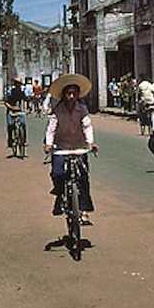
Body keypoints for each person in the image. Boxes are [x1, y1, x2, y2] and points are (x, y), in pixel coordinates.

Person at [43, 74, 98, 220]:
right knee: (57, 174)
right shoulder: (57, 110)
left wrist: (90, 142)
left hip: (79, 147)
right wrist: (48, 144)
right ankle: (60, 196)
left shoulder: (82, 109)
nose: (72, 96)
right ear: (64, 95)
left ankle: (84, 209)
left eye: (74, 93)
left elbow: (87, 126)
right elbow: (51, 129)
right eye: (69, 93)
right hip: (61, 148)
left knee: (83, 177)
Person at [4, 78, 27, 148]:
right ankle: (10, 140)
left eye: (19, 84)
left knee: (23, 124)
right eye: (17, 83)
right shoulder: (10, 92)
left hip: (20, 112)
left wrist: (25, 109)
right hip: (11, 111)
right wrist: (11, 107)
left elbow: (25, 100)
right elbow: (5, 102)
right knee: (10, 125)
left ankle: (24, 140)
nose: (18, 85)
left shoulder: (22, 92)